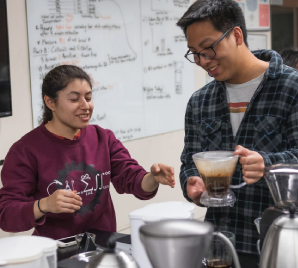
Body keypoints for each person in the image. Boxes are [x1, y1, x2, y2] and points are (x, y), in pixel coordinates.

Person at [177, 0, 298, 255]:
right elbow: (189, 161)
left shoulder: (292, 88)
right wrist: (192, 183)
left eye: (208, 48)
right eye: (195, 53)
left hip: (279, 246)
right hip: (218, 247)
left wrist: (268, 163)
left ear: (236, 35)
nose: (202, 61)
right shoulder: (200, 102)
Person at [0, 65, 175, 239]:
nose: (86, 106)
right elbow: (6, 214)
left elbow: (132, 178)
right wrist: (44, 205)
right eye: (74, 99)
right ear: (50, 102)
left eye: (89, 97)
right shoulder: (25, 150)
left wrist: (152, 178)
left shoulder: (103, 138)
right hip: (55, 252)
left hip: (103, 247)